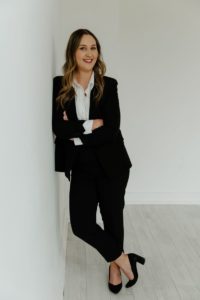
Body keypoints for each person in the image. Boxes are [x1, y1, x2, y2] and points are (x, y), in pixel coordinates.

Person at [52, 28, 145, 294]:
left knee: (112, 217)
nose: (89, 53)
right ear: (73, 52)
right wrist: (93, 124)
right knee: (81, 223)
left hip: (112, 163)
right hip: (80, 165)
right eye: (83, 48)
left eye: (93, 47)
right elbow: (59, 128)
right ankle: (125, 258)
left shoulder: (108, 84)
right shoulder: (60, 85)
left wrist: (77, 132)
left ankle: (114, 267)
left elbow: (112, 128)